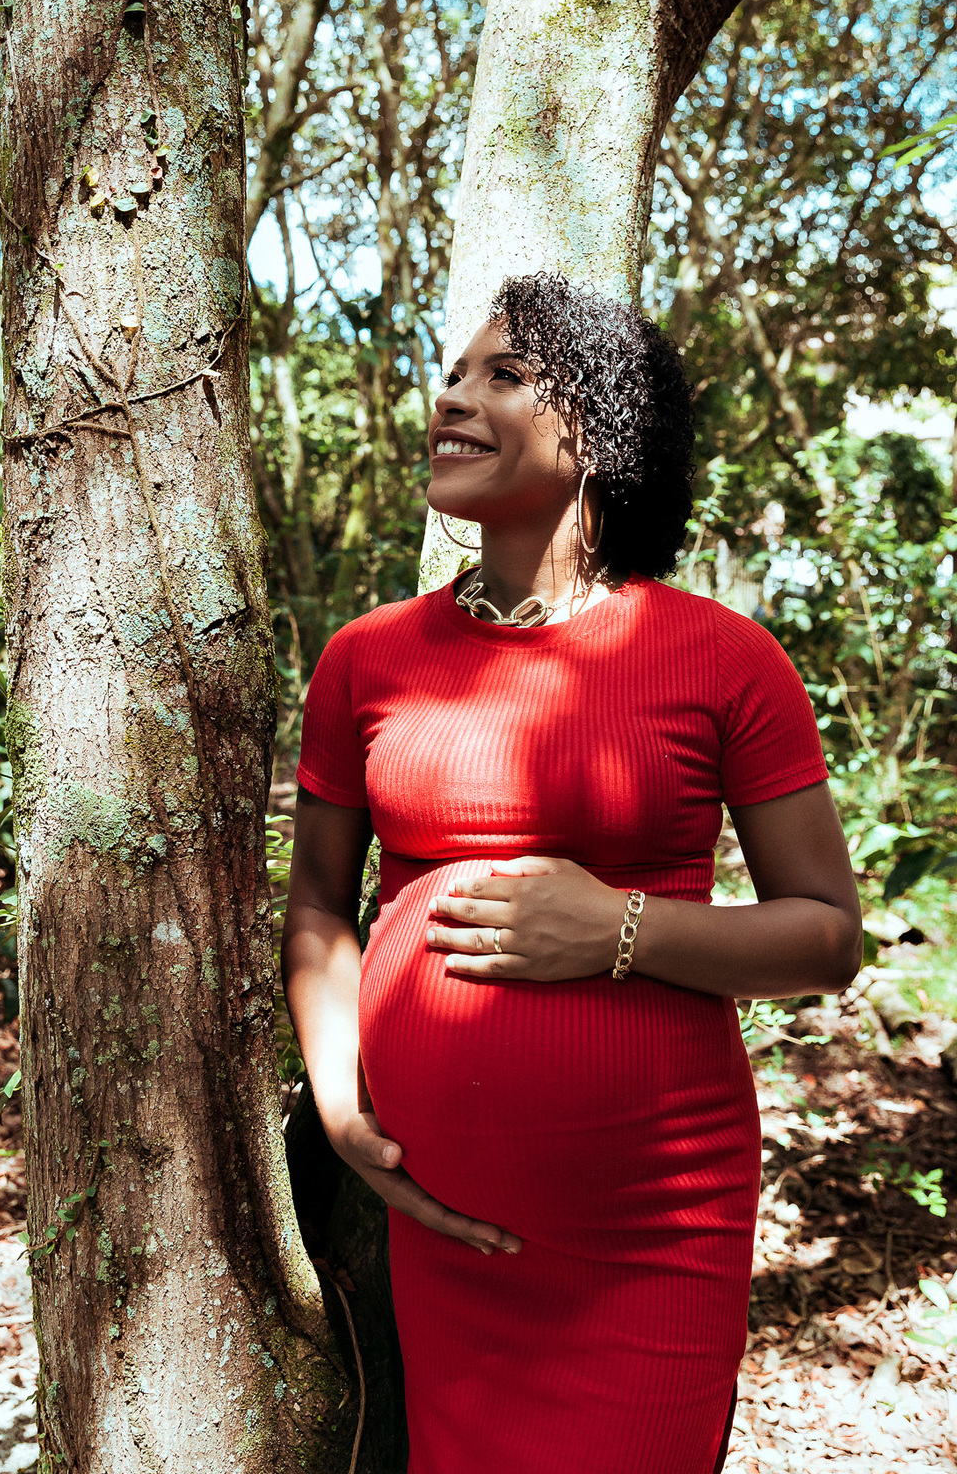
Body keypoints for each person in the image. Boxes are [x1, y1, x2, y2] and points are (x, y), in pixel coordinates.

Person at [282, 272, 862, 1474]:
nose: (452, 398)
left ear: (597, 427)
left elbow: (825, 937)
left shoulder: (722, 659)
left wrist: (616, 929)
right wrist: (340, 1106)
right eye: (452, 374)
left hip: (649, 1228)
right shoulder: (366, 660)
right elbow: (321, 911)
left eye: (502, 375)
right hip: (445, 1233)